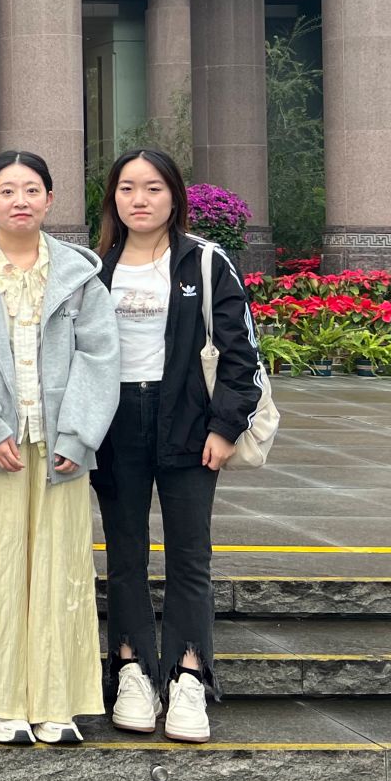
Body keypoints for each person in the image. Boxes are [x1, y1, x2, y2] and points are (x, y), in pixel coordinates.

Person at [0, 151, 120, 746]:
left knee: (60, 570)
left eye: (32, 189)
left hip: (59, 446)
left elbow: (100, 357)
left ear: (50, 199)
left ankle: (54, 700)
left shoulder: (77, 273)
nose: (20, 200)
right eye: (8, 190)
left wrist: (80, 435)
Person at [93, 147, 265, 745]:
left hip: (191, 424)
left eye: (153, 188)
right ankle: (133, 670)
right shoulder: (95, 268)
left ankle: (189, 675)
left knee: (190, 555)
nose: (139, 200)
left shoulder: (206, 262)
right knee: (125, 556)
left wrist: (225, 427)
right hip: (116, 424)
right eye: (127, 188)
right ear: (112, 198)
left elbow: (241, 355)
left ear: (174, 197)